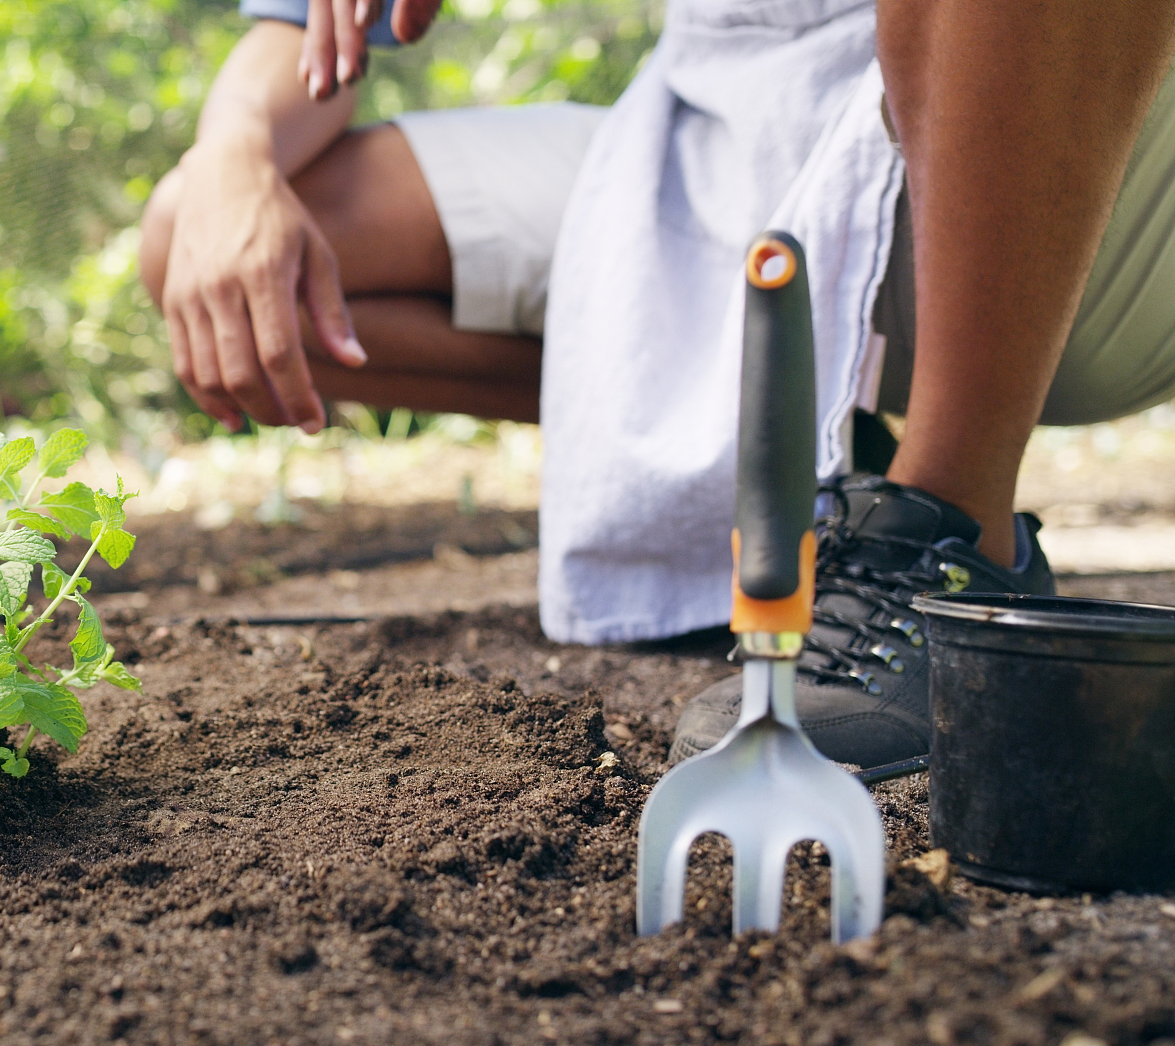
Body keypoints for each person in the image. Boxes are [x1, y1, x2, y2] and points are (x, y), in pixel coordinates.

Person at [138, 0, 1175, 769]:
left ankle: (950, 526)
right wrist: (229, 153)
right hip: (722, 125)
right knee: (204, 237)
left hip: (1076, 158)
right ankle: (820, 469)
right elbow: (300, 36)